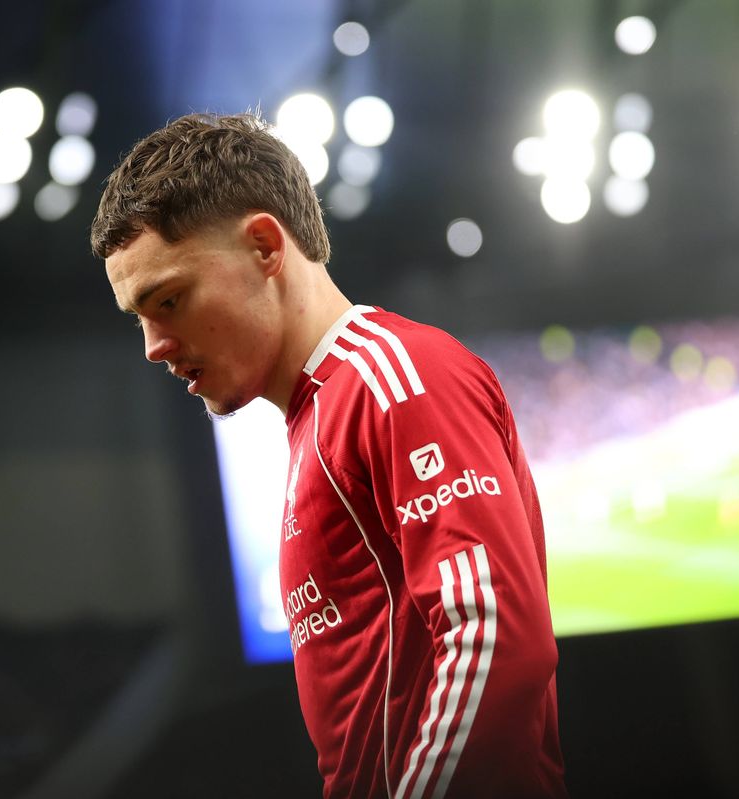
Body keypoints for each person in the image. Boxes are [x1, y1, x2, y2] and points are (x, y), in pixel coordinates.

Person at [91, 112, 568, 799]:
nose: (153, 346)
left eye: (168, 299)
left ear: (264, 246)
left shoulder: (395, 377)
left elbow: (492, 638)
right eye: (139, 318)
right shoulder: (319, 416)